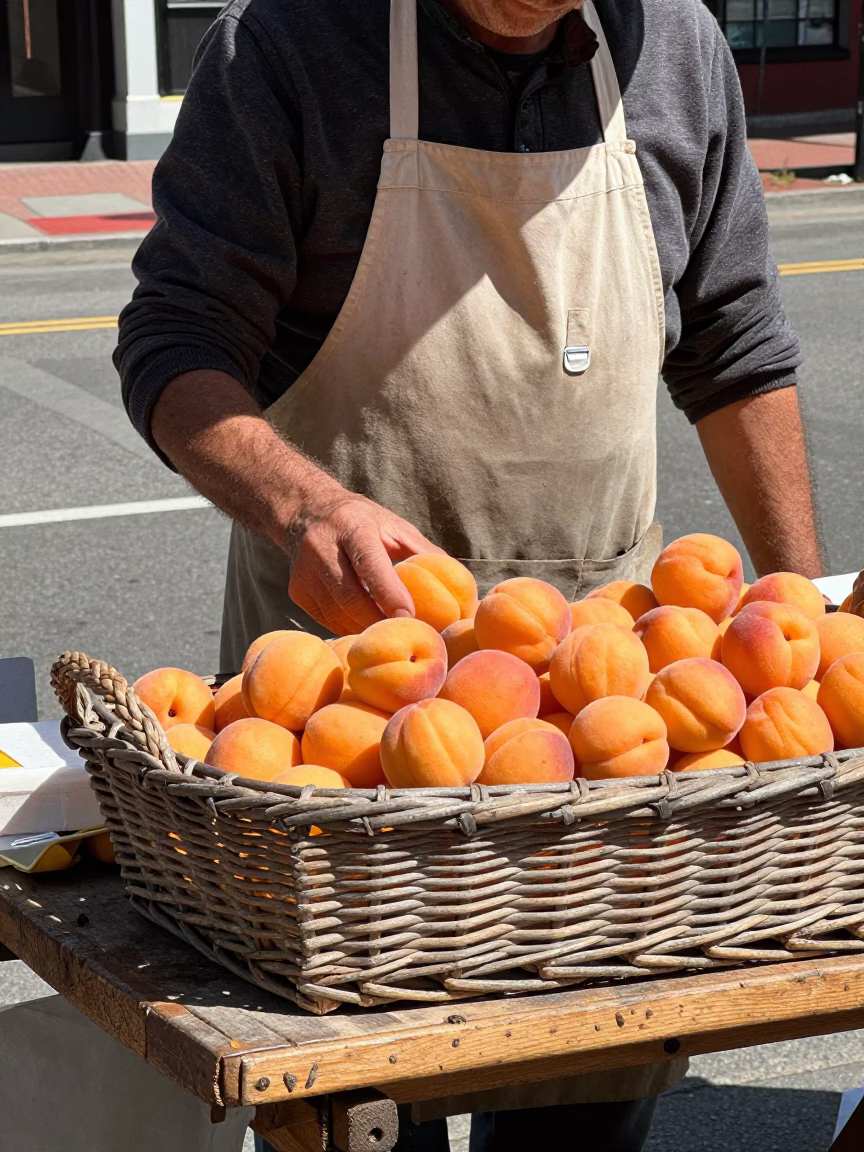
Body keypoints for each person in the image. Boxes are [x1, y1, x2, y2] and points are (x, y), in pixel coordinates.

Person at [115, 0, 823, 1147]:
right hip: (342, 720)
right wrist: (306, 507)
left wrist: (815, 619)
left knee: (581, 1101)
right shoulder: (288, 44)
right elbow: (175, 338)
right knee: (355, 1102)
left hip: (596, 721)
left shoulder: (680, 50)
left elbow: (733, 343)